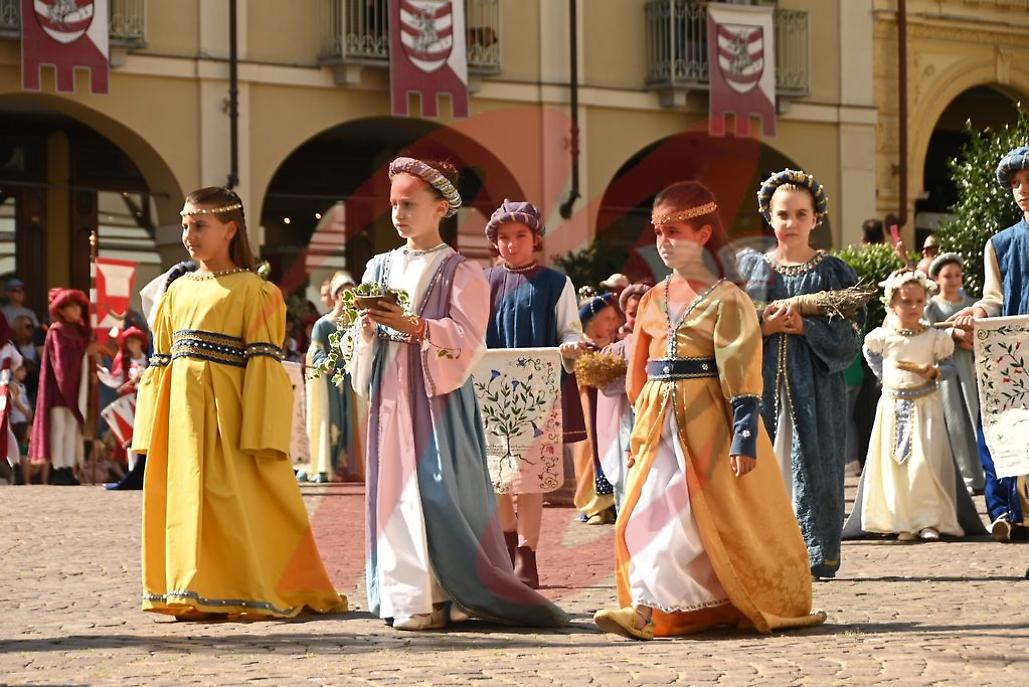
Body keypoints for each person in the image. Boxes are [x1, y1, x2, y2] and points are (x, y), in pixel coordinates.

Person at [594, 181, 824, 640]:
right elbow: (639, 372)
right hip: (659, 428)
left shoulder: (727, 298)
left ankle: (668, 606)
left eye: (674, 231)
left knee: (692, 522)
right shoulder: (653, 298)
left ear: (702, 235)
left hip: (709, 428)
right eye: (657, 233)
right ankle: (648, 606)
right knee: (645, 516)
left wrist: (743, 435)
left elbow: (741, 369)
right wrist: (640, 430)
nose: (663, 243)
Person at [347, 157, 567, 631]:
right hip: (391, 393)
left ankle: (456, 592)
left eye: (409, 204)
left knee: (439, 491)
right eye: (393, 205)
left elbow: (470, 341)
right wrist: (364, 329)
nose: (399, 214)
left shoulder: (462, 271)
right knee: (394, 493)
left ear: (441, 207)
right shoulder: (377, 266)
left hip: (436, 399)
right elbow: (355, 338)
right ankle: (409, 594)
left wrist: (418, 326)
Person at [132, 186, 346, 619]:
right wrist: (151, 426)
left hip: (230, 416)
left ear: (230, 230)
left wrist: (261, 430)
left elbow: (264, 366)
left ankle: (250, 583)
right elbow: (161, 360)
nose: (189, 234)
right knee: (187, 498)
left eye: (200, 226)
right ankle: (191, 586)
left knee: (236, 501)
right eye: (186, 225)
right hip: (182, 416)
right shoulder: (174, 292)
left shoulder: (258, 292)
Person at [736, 169, 862, 579]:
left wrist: (807, 328)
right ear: (769, 218)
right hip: (760, 387)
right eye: (783, 214)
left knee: (813, 464)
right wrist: (764, 326)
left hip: (815, 390)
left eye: (800, 214)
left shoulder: (832, 273)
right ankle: (762, 550)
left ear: (815, 219)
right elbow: (728, 328)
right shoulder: (750, 270)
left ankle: (813, 551)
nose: (790, 223)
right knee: (762, 462)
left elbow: (849, 337)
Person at [482, 199, 586, 588]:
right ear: (495, 242)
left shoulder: (555, 283)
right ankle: (506, 545)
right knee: (496, 475)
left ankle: (528, 554)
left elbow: (569, 329)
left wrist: (571, 346)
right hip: (490, 391)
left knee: (529, 477)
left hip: (537, 392)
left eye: (520, 236)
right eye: (504, 238)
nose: (511, 244)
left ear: (535, 238)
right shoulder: (483, 282)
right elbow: (471, 331)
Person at [842, 270, 985, 541]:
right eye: (906, 302)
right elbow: (870, 353)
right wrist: (885, 377)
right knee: (895, 466)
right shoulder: (883, 336)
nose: (913, 307)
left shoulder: (934, 336)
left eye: (919, 302)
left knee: (924, 463)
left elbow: (950, 367)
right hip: (893, 408)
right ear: (893, 303)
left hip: (925, 407)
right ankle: (901, 519)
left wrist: (934, 372)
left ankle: (928, 520)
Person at [949, 145, 1029, 542]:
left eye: (1028, 181)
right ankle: (1008, 512)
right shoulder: (999, 243)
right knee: (1003, 425)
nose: (1022, 190)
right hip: (1013, 350)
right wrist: (976, 314)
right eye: (1016, 183)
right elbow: (992, 297)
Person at [922, 253, 985, 493]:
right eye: (947, 276)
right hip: (947, 372)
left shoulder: (973, 304)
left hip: (971, 369)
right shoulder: (932, 307)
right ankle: (963, 477)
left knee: (975, 417)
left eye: (957, 275)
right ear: (937, 279)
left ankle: (982, 475)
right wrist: (953, 336)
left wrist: (971, 338)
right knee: (954, 422)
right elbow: (928, 334)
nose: (953, 280)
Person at [28, 288, 94, 487]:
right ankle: (58, 468)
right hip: (58, 390)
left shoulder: (77, 331)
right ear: (62, 310)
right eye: (72, 307)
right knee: (60, 428)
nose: (77, 311)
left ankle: (68, 467)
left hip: (73, 389)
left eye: (78, 307)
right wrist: (84, 352)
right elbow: (61, 362)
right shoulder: (57, 330)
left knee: (72, 429)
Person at [302, 270, 358, 484]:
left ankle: (345, 466)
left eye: (351, 293)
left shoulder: (355, 325)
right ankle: (327, 465)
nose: (348, 297)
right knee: (331, 420)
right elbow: (315, 350)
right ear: (335, 295)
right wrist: (326, 363)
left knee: (347, 422)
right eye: (344, 292)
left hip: (350, 380)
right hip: (329, 380)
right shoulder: (323, 324)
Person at [573, 294, 622, 525]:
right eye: (607, 318)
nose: (613, 324)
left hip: (610, 408)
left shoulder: (616, 346)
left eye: (614, 318)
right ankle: (592, 505)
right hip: (588, 406)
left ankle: (610, 504)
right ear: (592, 320)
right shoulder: (581, 347)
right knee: (590, 449)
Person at [98, 327, 150, 490]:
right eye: (129, 342)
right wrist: (104, 374)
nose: (132, 345)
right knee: (130, 438)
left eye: (135, 341)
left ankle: (143, 474)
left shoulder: (149, 360)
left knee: (143, 438)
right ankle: (132, 472)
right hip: (129, 403)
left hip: (146, 402)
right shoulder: (125, 362)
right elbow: (116, 381)